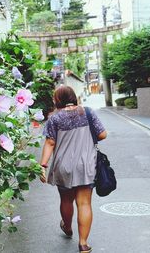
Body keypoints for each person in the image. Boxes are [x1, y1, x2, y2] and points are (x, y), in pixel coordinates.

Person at [39, 85, 107, 253]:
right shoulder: (88, 112)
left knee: (66, 200)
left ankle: (67, 228)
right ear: (73, 97)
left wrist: (43, 165)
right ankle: (83, 243)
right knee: (84, 203)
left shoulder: (54, 118)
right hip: (86, 165)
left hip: (63, 166)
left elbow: (50, 142)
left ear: (58, 100)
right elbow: (102, 134)